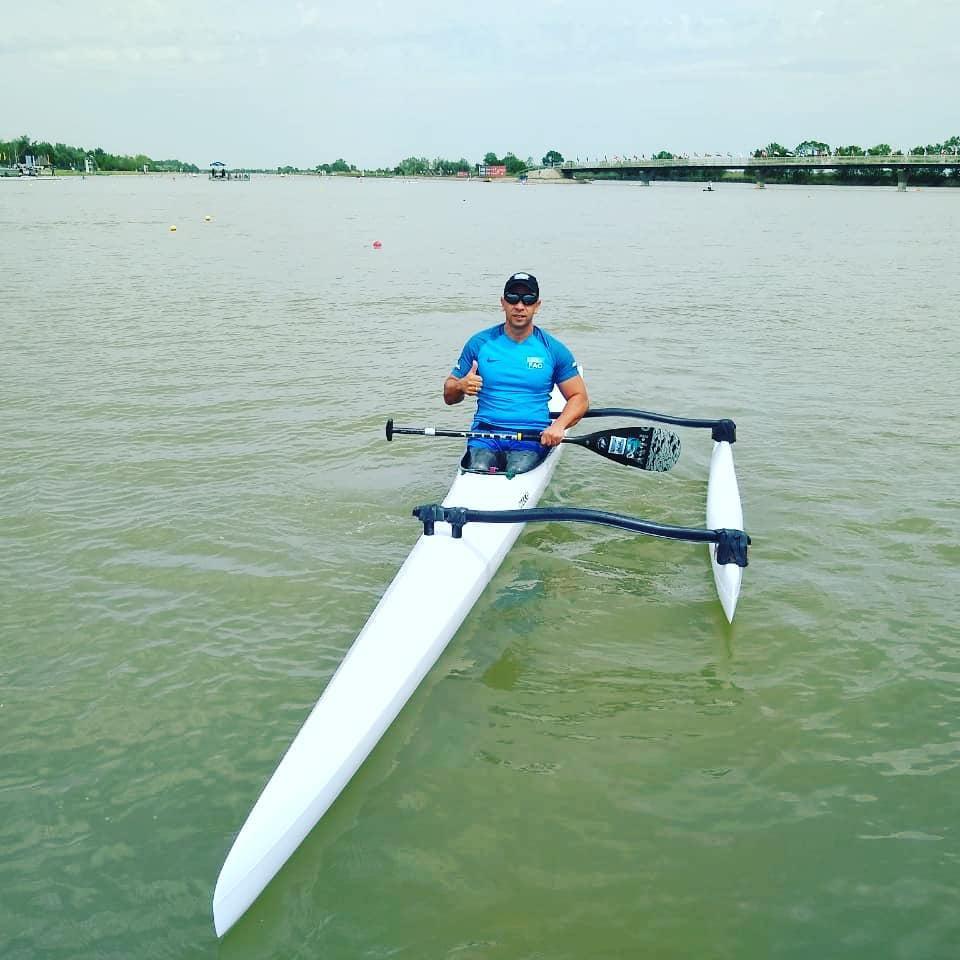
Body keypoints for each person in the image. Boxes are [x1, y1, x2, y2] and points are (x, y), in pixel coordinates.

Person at [444, 272, 589, 474]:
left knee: (517, 468)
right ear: (503, 303)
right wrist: (460, 386)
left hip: (532, 436)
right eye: (513, 298)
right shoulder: (479, 343)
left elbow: (580, 398)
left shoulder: (553, 350)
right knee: (478, 467)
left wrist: (559, 425)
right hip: (486, 434)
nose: (520, 306)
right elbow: (449, 396)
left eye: (528, 300)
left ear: (537, 306)